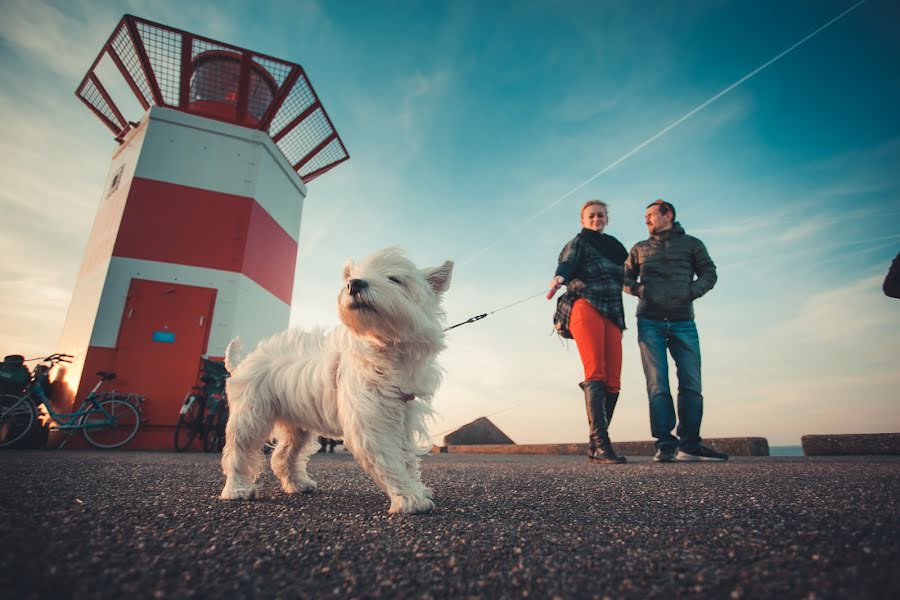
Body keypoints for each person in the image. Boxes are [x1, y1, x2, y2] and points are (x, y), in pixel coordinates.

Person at [623, 199, 727, 462]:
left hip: (683, 321)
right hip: (649, 321)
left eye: (650, 215)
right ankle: (665, 444)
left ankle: (690, 445)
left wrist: (690, 292)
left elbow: (709, 273)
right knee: (658, 383)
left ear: (667, 214)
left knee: (691, 383)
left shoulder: (693, 244)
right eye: (644, 216)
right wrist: (640, 290)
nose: (646, 220)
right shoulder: (640, 248)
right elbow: (623, 278)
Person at [548, 200, 628, 464]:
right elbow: (567, 263)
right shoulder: (578, 242)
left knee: (614, 380)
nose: (596, 219)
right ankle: (603, 445)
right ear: (583, 220)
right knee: (596, 372)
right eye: (591, 215)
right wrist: (561, 277)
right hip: (586, 306)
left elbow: (626, 278)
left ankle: (595, 446)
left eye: (601, 215)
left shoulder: (616, 247)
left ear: (607, 218)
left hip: (613, 311)